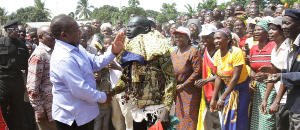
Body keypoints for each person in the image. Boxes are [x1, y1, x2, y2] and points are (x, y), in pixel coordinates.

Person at [49, 14, 124, 130]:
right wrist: (103, 97)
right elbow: (80, 89)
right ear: (64, 35)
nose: (80, 32)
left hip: (84, 114)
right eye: (76, 30)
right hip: (72, 118)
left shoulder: (77, 48)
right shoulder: (63, 58)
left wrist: (113, 51)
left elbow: (95, 62)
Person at [110, 16, 176, 129]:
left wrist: (166, 109)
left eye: (133, 27)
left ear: (146, 29)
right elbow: (126, 76)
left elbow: (171, 79)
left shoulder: (159, 47)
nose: (128, 30)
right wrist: (112, 92)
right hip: (138, 109)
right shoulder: (130, 48)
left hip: (158, 109)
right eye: (128, 27)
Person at [265, 9, 300, 130]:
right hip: (293, 104)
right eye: (283, 23)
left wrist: (282, 76)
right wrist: (277, 75)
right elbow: (290, 71)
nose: (284, 27)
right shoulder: (291, 44)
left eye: (287, 23)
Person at [210, 28, 250, 130]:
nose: (215, 41)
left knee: (239, 119)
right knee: (227, 118)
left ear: (228, 39)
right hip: (229, 90)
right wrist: (214, 99)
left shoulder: (236, 52)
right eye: (214, 38)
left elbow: (235, 78)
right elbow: (219, 76)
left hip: (241, 90)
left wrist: (222, 98)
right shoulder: (217, 54)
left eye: (219, 38)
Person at [259, 16, 290, 130]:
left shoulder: (288, 48)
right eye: (269, 29)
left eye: (273, 29)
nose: (270, 32)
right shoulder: (274, 49)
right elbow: (272, 76)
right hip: (279, 97)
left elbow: (285, 76)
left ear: (282, 31)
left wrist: (276, 102)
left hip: (287, 98)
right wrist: (265, 99)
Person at [0, 19, 29, 130]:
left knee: (17, 110)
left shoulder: (22, 45)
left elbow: (26, 66)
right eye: (13, 29)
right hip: (2, 81)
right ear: (7, 30)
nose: (16, 31)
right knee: (2, 109)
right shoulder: (0, 42)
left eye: (17, 29)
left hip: (17, 82)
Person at [170, 27, 201, 130]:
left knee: (189, 117)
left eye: (181, 36)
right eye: (176, 37)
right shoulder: (174, 52)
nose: (178, 39)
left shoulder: (193, 51)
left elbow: (197, 71)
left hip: (190, 90)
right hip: (177, 90)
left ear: (188, 38)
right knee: (178, 117)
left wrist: (183, 85)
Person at [26, 25, 56, 130]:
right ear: (40, 37)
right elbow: (32, 87)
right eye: (50, 35)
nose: (54, 37)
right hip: (46, 111)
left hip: (57, 108)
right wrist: (39, 110)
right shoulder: (38, 55)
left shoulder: (53, 52)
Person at [249, 20, 276, 130]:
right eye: (255, 30)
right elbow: (252, 67)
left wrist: (265, 75)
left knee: (267, 121)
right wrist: (252, 80)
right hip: (258, 89)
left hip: (271, 87)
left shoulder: (273, 46)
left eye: (259, 29)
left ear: (266, 32)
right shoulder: (253, 48)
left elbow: (275, 70)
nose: (255, 32)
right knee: (256, 121)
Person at [195, 24, 221, 130]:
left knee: (219, 118)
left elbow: (224, 73)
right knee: (209, 118)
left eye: (207, 37)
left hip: (220, 90)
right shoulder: (204, 51)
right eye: (203, 37)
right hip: (207, 90)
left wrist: (207, 80)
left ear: (214, 37)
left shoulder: (220, 51)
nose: (204, 39)